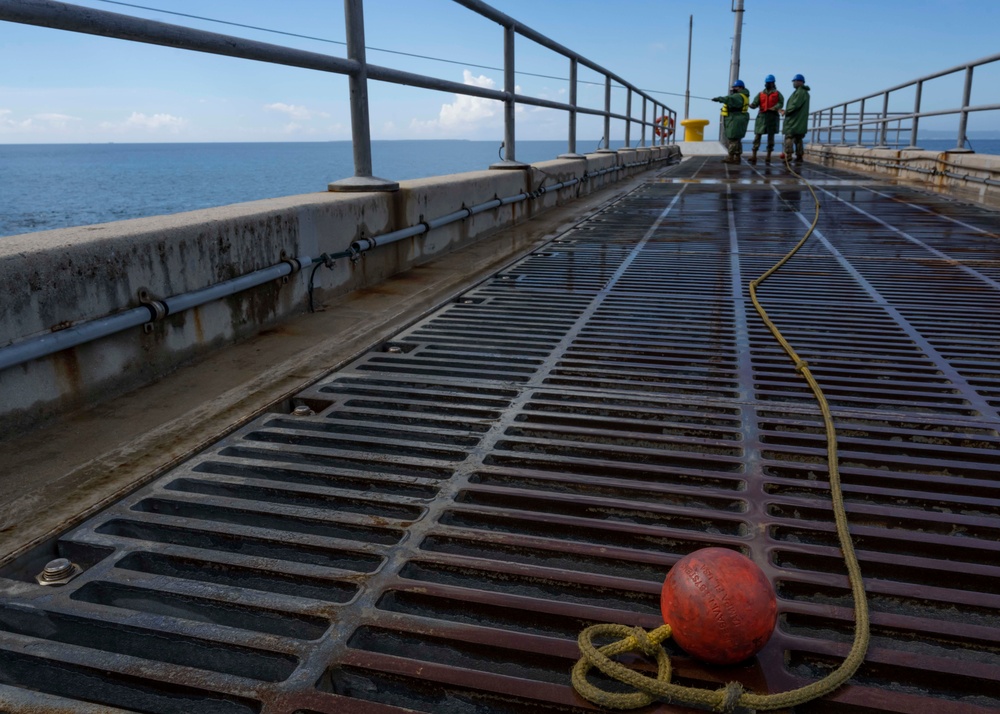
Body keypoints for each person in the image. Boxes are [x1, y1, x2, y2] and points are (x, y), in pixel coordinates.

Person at [712, 79, 750, 164]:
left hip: (735, 119)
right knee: (737, 139)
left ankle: (730, 157)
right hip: (739, 118)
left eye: (735, 87)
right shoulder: (744, 95)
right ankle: (737, 157)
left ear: (740, 87)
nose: (733, 89)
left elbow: (728, 99)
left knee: (733, 138)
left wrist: (718, 99)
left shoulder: (738, 96)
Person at [748, 75, 784, 165]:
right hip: (762, 117)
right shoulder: (760, 94)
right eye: (767, 83)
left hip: (772, 117)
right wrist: (751, 105)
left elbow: (781, 103)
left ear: (773, 83)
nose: (768, 84)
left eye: (769, 83)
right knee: (757, 136)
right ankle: (754, 155)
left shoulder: (777, 94)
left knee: (770, 138)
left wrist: (774, 107)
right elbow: (755, 103)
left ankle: (768, 156)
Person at [781, 74, 811, 164]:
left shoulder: (800, 92)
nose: (793, 83)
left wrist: (785, 112)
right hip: (800, 120)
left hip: (794, 120)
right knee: (798, 138)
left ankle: (788, 156)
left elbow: (795, 105)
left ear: (800, 82)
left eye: (795, 81)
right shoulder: (803, 92)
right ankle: (799, 156)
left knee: (789, 136)